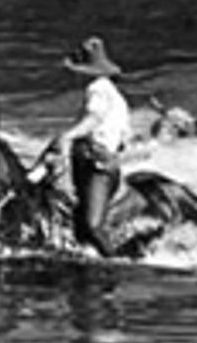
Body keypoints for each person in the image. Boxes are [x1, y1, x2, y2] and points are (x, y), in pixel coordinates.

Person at [36, 36, 131, 255]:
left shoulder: (96, 89)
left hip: (96, 166)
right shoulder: (116, 96)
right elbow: (125, 138)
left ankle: (114, 263)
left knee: (92, 225)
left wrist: (69, 136)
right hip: (102, 159)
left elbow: (94, 119)